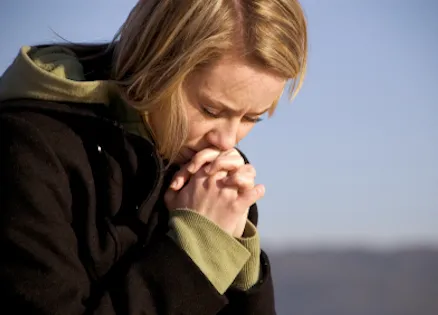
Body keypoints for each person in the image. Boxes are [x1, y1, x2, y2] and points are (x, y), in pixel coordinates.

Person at [0, 0, 307, 314]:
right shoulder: (27, 151)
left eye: (250, 118)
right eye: (211, 110)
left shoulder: (217, 179)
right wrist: (197, 253)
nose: (227, 141)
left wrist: (241, 265)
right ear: (158, 65)